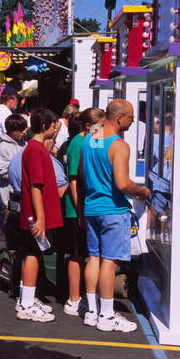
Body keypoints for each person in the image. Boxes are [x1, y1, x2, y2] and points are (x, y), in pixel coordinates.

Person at [81, 100, 151, 332]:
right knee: (109, 263)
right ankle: (107, 316)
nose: (133, 121)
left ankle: (92, 311)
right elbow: (122, 184)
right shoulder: (120, 145)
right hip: (112, 209)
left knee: (93, 258)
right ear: (119, 118)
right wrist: (142, 192)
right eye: (130, 117)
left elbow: (83, 170)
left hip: (91, 206)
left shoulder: (92, 134)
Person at [14, 109, 64, 323]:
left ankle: (27, 298)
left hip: (36, 212)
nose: (55, 129)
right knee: (34, 254)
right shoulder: (35, 150)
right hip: (37, 214)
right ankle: (26, 304)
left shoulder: (36, 147)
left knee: (33, 253)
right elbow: (36, 186)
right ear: (44, 127)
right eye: (53, 126)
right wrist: (41, 218)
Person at [60, 107, 103, 317]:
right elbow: (74, 180)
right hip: (76, 208)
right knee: (76, 254)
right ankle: (73, 299)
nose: (103, 130)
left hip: (87, 206)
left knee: (86, 253)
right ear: (89, 126)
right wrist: (79, 212)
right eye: (101, 126)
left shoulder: (93, 140)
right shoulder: (78, 143)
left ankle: (82, 297)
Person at [0, 114, 28, 240]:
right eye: (21, 129)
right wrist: (19, 173)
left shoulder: (24, 143)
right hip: (9, 193)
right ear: (12, 131)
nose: (24, 132)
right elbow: (1, 169)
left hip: (22, 192)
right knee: (10, 225)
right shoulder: (4, 147)